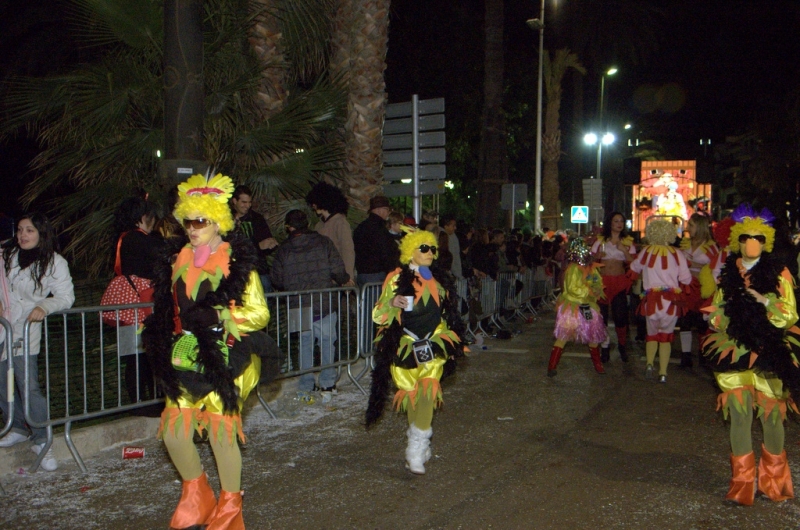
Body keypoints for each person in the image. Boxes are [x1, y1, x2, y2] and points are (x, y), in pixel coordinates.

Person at [142, 173, 269, 529]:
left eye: (201, 221)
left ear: (218, 223)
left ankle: (230, 506)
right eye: (188, 221)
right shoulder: (179, 259)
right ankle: (197, 494)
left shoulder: (236, 262)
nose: (193, 228)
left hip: (230, 353)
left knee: (219, 430)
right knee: (174, 432)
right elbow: (173, 309)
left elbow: (260, 313)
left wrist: (220, 313)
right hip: (188, 351)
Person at [702, 203, 800, 506]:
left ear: (766, 240)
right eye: (746, 237)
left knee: (771, 420)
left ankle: (772, 482)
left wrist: (763, 302)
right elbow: (719, 314)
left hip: (770, 352)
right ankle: (742, 485)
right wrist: (718, 316)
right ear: (737, 240)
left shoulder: (779, 272)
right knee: (740, 418)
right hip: (735, 351)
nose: (751, 242)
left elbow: (789, 315)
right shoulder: (729, 272)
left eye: (758, 237)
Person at [365, 229, 466, 474]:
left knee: (428, 392)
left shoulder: (439, 278)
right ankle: (418, 439)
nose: (430, 253)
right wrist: (392, 303)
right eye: (424, 248)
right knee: (411, 394)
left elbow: (447, 312)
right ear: (411, 251)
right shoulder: (396, 278)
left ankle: (416, 446)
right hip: (404, 344)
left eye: (433, 249)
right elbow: (378, 314)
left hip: (433, 343)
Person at [0, 213, 75, 472]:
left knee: (27, 384)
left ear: (42, 233)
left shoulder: (54, 262)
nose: (23, 235)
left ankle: (43, 440)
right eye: (20, 229)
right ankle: (19, 426)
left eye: (30, 230)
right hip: (3, 327)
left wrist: (44, 305)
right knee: (2, 382)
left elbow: (66, 296)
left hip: (25, 329)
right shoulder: (6, 255)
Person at [270, 209, 350, 393]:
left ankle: (306, 383)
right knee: (327, 342)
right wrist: (344, 279)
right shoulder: (323, 243)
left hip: (298, 304)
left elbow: (277, 279)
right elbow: (338, 270)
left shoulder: (284, 250)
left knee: (305, 344)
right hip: (324, 302)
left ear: (289, 227)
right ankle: (328, 382)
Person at [111, 197, 165, 414]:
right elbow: (163, 251)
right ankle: (144, 402)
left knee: (134, 356)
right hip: (142, 304)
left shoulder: (124, 239)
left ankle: (138, 401)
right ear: (144, 217)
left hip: (129, 304)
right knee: (143, 356)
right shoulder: (139, 239)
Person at [630, 220, 692, 383]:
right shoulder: (678, 254)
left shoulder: (646, 251)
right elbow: (686, 278)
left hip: (651, 300)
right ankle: (663, 373)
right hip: (671, 302)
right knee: (666, 336)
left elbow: (634, 267)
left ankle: (650, 363)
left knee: (651, 334)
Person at [547, 239, 607, 376]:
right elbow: (573, 288)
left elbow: (597, 282)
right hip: (572, 306)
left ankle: (598, 365)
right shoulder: (573, 269)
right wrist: (589, 290)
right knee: (564, 335)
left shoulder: (591, 268)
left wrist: (597, 289)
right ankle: (552, 366)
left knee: (592, 334)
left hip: (586, 306)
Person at [591, 211, 637, 363]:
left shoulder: (628, 242)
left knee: (620, 316)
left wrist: (624, 250)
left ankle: (622, 346)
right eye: (616, 221)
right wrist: (597, 256)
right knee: (601, 317)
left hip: (619, 282)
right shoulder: (600, 241)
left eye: (621, 221)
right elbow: (590, 261)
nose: (619, 224)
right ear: (610, 223)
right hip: (602, 283)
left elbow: (634, 264)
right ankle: (605, 347)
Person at [677, 213, 719, 368]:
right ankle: (685, 356)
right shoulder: (684, 243)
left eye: (692, 225)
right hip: (687, 286)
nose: (688, 228)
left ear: (700, 227)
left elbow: (716, 267)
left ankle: (703, 354)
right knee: (685, 320)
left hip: (704, 288)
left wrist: (697, 266)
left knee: (703, 322)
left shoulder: (712, 246)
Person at [230, 184, 278, 292]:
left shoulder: (257, 219)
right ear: (234, 201)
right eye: (244, 202)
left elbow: (267, 242)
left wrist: (270, 244)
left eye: (249, 202)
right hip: (235, 271)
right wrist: (258, 246)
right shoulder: (226, 219)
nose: (247, 206)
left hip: (258, 269)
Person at [305, 181, 356, 284]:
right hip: (322, 277)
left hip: (336, 278)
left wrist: (348, 278)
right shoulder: (319, 225)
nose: (313, 206)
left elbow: (347, 251)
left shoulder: (340, 222)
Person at [352, 195, 399, 287]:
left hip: (362, 273)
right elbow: (385, 251)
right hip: (377, 274)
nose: (388, 213)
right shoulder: (380, 228)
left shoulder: (361, 227)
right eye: (387, 209)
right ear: (379, 210)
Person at [440, 214, 463, 279]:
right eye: (453, 226)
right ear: (446, 226)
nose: (455, 228)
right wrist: (458, 275)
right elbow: (453, 257)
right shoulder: (448, 238)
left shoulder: (452, 237)